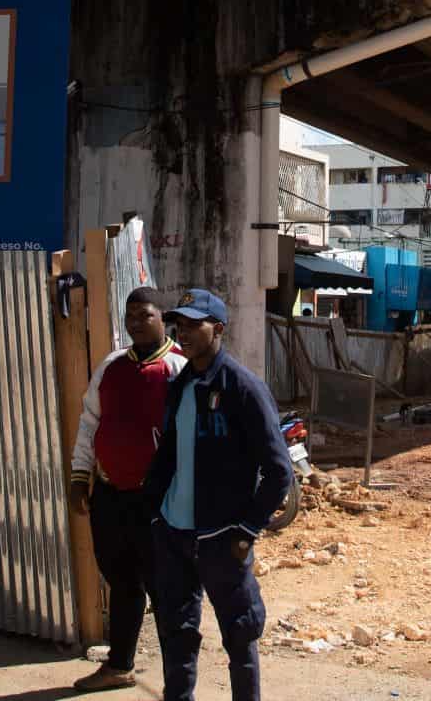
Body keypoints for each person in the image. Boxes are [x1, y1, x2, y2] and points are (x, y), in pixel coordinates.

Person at [146, 289, 292, 701]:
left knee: (240, 634)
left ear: (219, 329)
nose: (184, 333)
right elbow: (168, 454)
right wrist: (156, 513)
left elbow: (280, 472)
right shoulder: (180, 385)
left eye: (195, 325)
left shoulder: (243, 388)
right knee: (176, 632)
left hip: (222, 539)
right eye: (181, 325)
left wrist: (246, 529)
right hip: (174, 533)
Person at [66, 289, 186, 693]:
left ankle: (178, 680)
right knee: (122, 582)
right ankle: (119, 666)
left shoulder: (179, 369)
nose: (135, 322)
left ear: (162, 318)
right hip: (110, 496)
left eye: (144, 314)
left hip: (157, 502)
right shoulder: (112, 366)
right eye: (130, 315)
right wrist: (80, 475)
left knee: (164, 588)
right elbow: (89, 422)